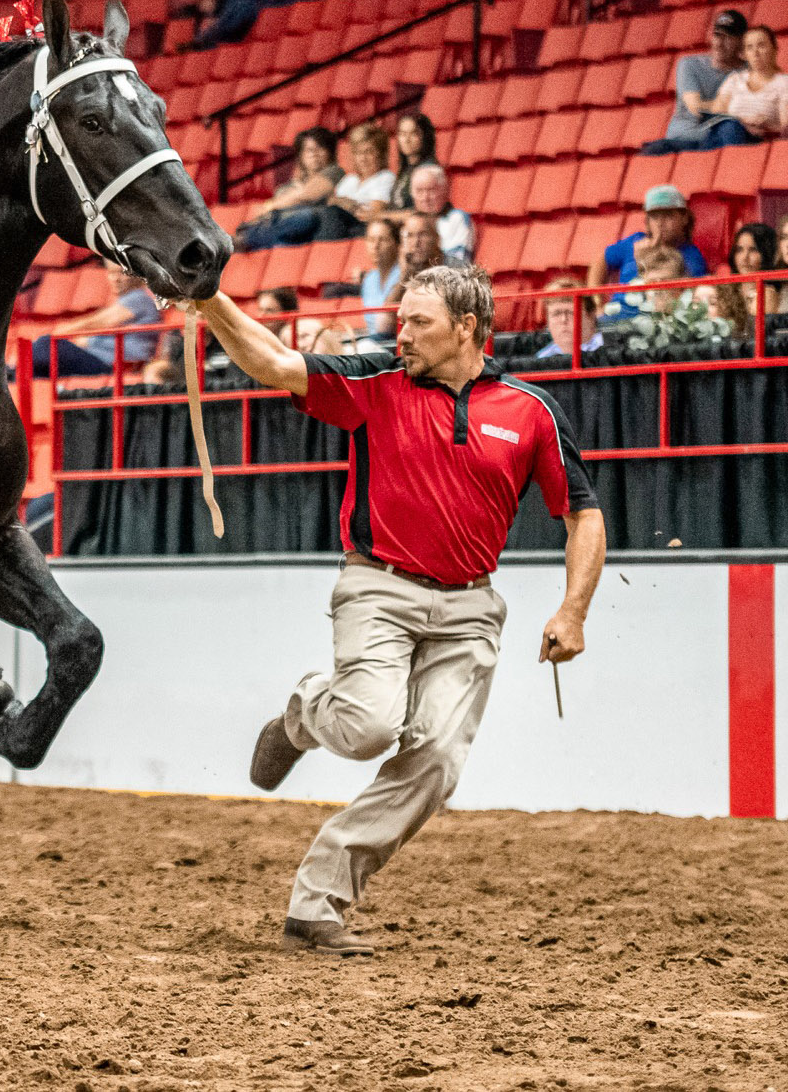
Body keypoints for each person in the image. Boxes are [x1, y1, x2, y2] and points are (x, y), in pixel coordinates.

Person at [186, 264, 604, 956]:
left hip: (471, 606)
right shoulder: (373, 380)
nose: (400, 333)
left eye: (418, 322)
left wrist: (574, 610)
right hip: (378, 588)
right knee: (366, 726)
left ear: (467, 327)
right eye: (401, 319)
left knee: (437, 759)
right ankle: (303, 714)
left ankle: (317, 903)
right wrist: (210, 298)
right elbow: (271, 359)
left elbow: (582, 514)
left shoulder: (531, 410)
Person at [27, 260, 161, 377]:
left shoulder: (139, 298)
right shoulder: (127, 300)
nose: (115, 279)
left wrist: (58, 332)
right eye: (111, 273)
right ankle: (11, 375)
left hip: (112, 365)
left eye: (121, 273)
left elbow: (98, 322)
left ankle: (10, 374)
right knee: (39, 371)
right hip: (102, 360)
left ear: (137, 276)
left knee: (46, 345)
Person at [588, 185, 709, 309]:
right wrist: (596, 302)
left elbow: (677, 297)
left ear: (684, 218)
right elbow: (601, 259)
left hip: (649, 319)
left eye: (668, 215)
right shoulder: (635, 240)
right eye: (654, 217)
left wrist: (644, 260)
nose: (660, 223)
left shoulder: (692, 256)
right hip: (614, 313)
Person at [644, 9, 747, 154]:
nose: (720, 43)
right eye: (717, 35)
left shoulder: (749, 71)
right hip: (683, 140)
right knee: (651, 151)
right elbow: (695, 107)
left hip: (719, 137)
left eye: (729, 37)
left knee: (731, 128)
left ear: (741, 41)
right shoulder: (689, 64)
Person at [234, 128, 344, 251]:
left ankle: (248, 239)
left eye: (320, 148)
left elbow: (307, 194)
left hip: (311, 228)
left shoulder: (335, 172)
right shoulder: (287, 187)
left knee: (306, 216)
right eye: (309, 150)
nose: (314, 153)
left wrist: (271, 205)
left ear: (330, 152)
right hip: (285, 230)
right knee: (282, 242)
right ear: (301, 155)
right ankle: (255, 239)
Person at [322, 124, 397, 241]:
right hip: (338, 226)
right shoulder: (350, 179)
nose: (363, 158)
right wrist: (350, 205)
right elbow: (330, 201)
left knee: (325, 215)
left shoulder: (386, 177)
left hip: (362, 230)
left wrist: (347, 204)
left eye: (369, 152)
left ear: (380, 154)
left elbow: (374, 213)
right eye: (358, 153)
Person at [406, 165, 475, 266]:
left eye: (431, 190)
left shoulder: (457, 218)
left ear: (444, 190)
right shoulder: (410, 223)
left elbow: (457, 266)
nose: (425, 198)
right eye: (419, 191)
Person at [358, 219, 404, 344]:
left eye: (383, 240)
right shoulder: (369, 279)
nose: (376, 246)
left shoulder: (404, 275)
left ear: (397, 244)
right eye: (371, 240)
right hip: (374, 342)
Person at [537, 277, 605, 360]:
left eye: (571, 313)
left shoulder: (610, 350)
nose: (563, 319)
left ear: (591, 316)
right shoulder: (541, 358)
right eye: (556, 314)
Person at [727, 222, 783, 317]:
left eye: (753, 250)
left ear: (767, 254)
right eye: (739, 250)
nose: (745, 257)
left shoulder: (768, 294)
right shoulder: (726, 290)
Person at [386, 113, 439, 213]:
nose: (406, 140)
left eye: (413, 134)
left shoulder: (428, 170)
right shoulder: (405, 169)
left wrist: (381, 216)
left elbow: (420, 214)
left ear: (425, 137)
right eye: (402, 134)